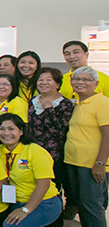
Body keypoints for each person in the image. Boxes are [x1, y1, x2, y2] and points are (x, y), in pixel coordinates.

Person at [0, 114, 64, 227]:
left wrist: (26, 210)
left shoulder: (36, 152)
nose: (6, 133)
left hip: (45, 202)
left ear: (21, 131)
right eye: (2, 129)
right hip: (15, 201)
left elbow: (43, 185)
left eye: (11, 129)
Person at [64, 66, 109, 227]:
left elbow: (107, 134)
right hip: (73, 161)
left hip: (92, 164)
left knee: (92, 203)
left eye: (86, 80)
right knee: (81, 202)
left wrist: (100, 162)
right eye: (76, 79)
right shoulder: (78, 104)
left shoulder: (102, 102)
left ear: (96, 84)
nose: (80, 83)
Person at [28, 67, 73, 202]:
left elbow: (57, 130)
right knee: (32, 186)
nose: (44, 82)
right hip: (33, 152)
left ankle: (55, 219)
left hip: (54, 154)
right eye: (40, 80)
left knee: (52, 188)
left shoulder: (64, 103)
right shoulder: (33, 101)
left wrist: (49, 109)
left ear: (58, 84)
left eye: (49, 80)